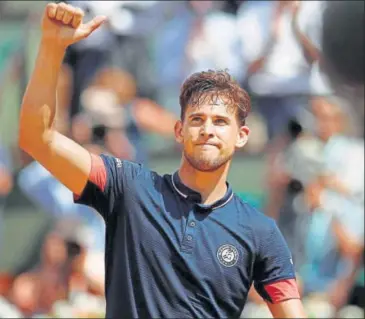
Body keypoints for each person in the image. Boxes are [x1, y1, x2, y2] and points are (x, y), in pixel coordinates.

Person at [18, 3, 306, 318]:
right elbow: (38, 138)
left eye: (220, 122)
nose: (207, 130)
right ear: (179, 130)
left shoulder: (260, 231)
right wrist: (51, 48)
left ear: (242, 135)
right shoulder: (128, 188)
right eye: (197, 119)